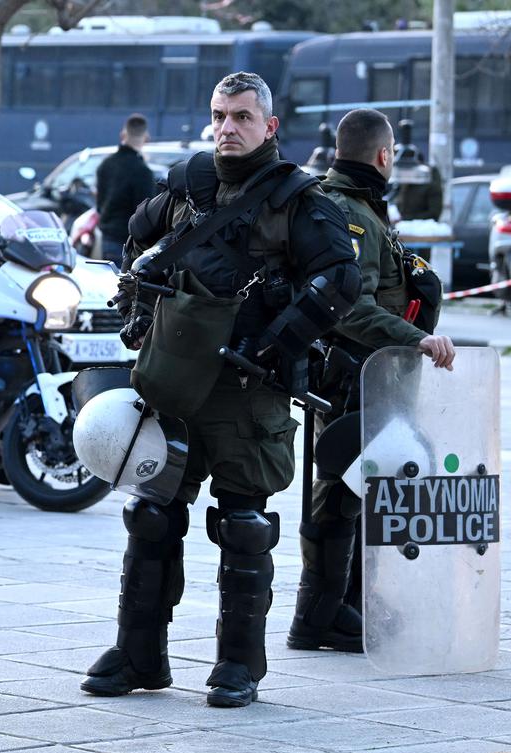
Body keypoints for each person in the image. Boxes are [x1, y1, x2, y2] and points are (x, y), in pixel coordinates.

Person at [80, 72, 361, 708]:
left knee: (244, 526)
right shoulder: (187, 183)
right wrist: (139, 312)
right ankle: (137, 654)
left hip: (245, 390)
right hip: (173, 381)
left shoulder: (298, 199)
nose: (227, 128)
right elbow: (136, 240)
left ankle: (239, 664)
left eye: (240, 117)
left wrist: (274, 344)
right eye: (219, 115)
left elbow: (340, 280)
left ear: (270, 126)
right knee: (151, 516)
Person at [287, 109, 455, 652]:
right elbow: (346, 305)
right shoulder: (348, 213)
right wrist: (415, 339)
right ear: (384, 156)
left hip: (367, 374)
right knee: (337, 490)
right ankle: (319, 615)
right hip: (348, 373)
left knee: (359, 487)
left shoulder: (356, 206)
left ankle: (347, 608)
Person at [95, 113, 156, 265]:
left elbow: (99, 205)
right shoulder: (143, 171)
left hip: (108, 238)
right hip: (131, 243)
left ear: (123, 134)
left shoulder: (106, 165)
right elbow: (145, 213)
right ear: (146, 138)